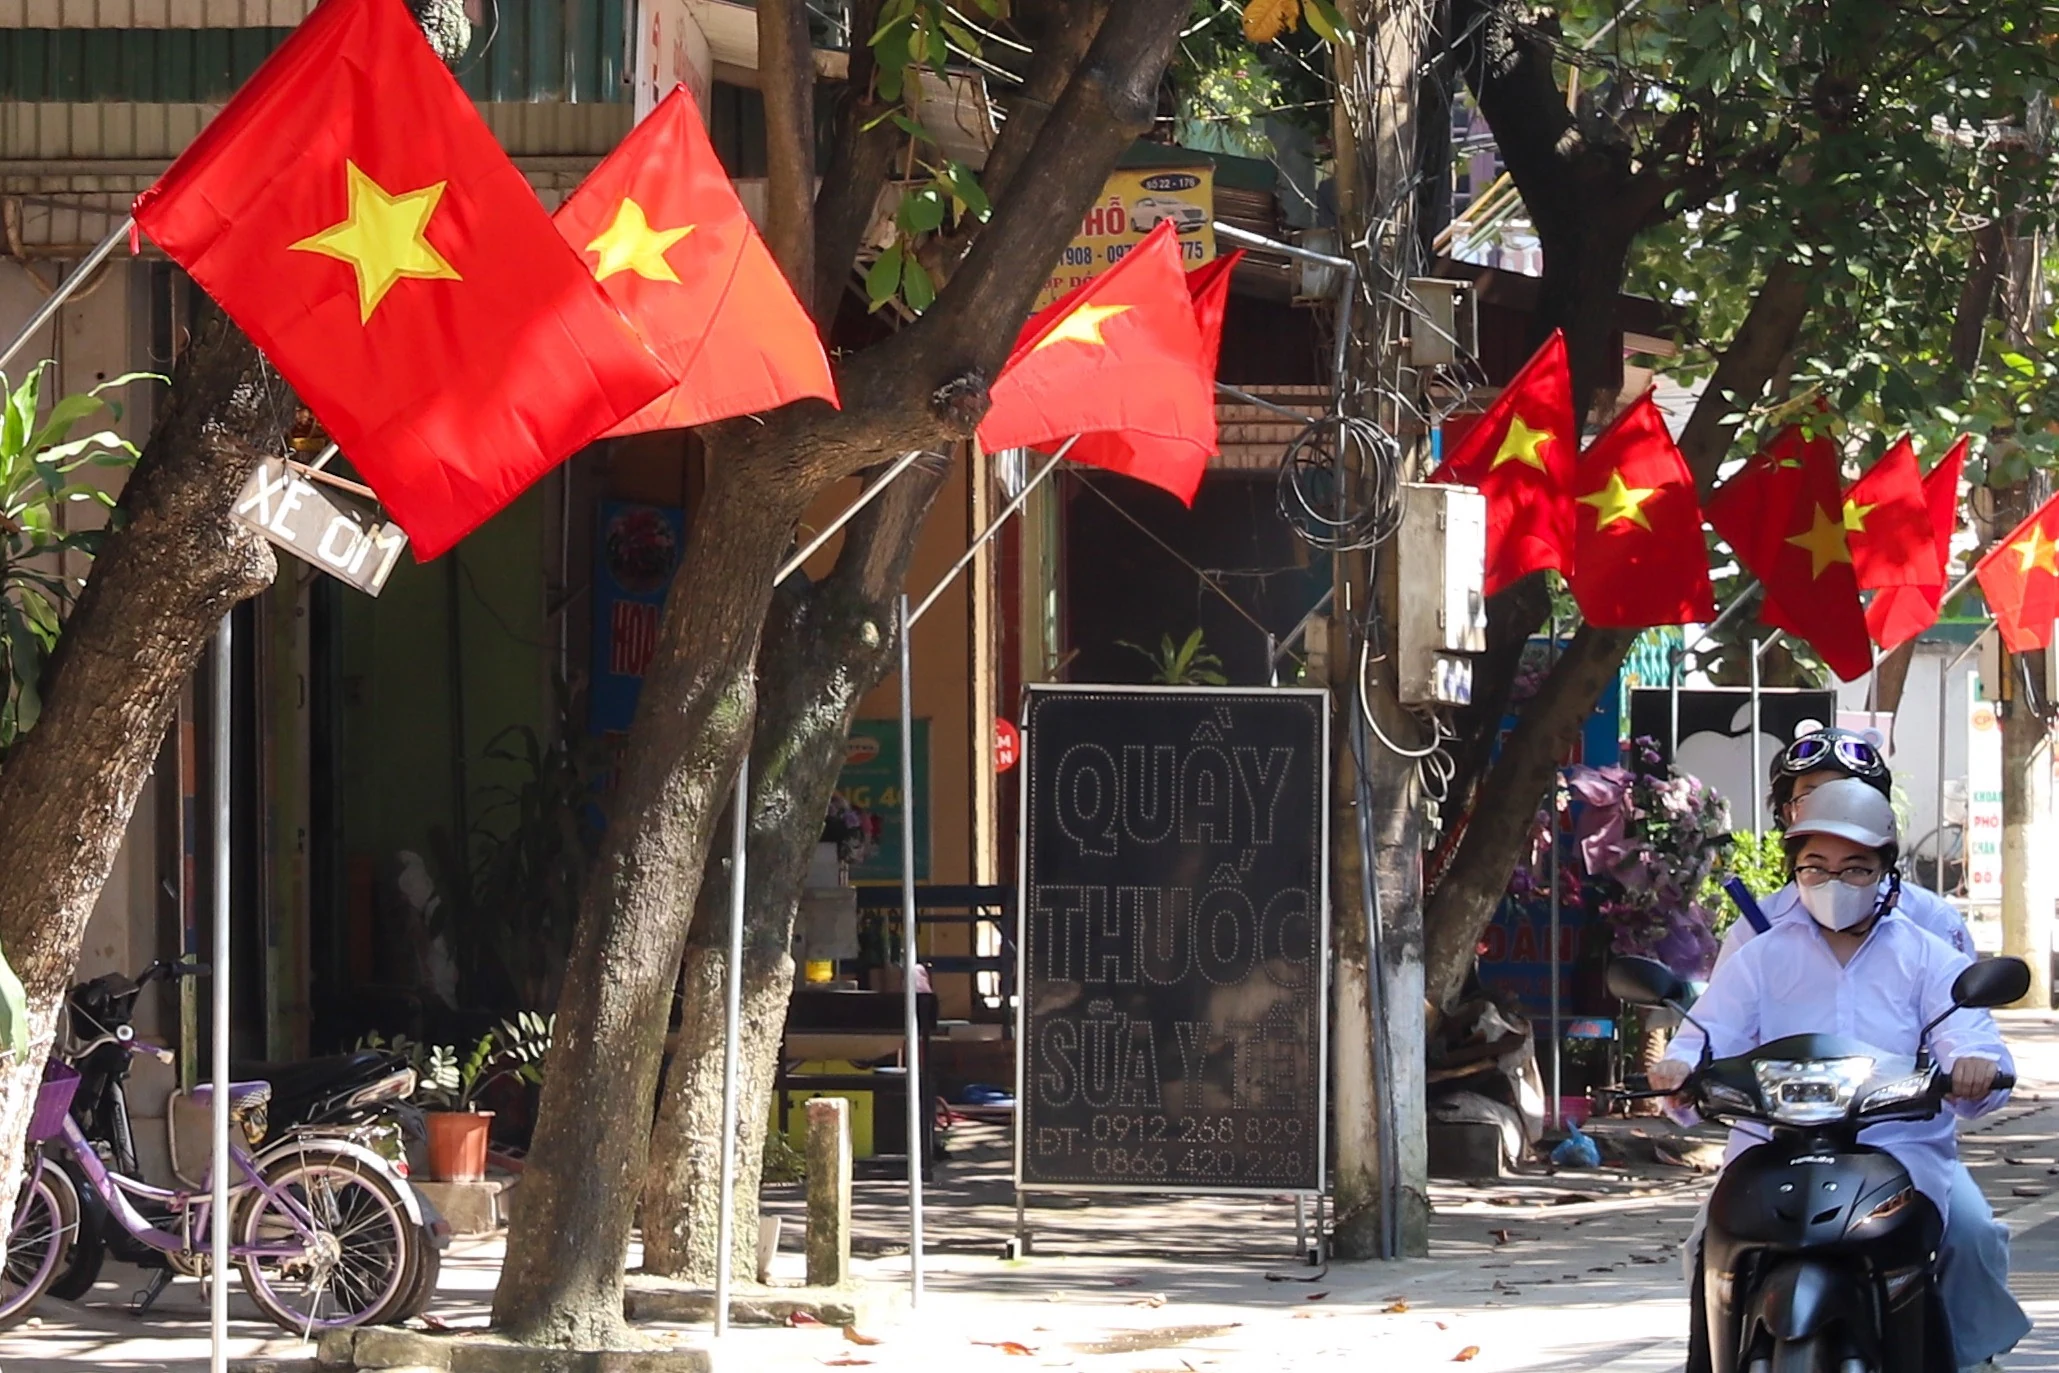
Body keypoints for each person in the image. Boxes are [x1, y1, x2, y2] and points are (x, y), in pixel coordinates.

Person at [1653, 778, 2025, 1371]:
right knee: (1707, 1241)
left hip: (1900, 1149)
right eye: (1815, 867)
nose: (1833, 882)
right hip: (1773, 1147)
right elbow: (1707, 1031)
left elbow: (1967, 1034)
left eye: (1854, 868)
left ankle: (1966, 1359)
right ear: (1794, 871)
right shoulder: (1761, 955)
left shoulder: (1926, 955)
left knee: (1972, 1235)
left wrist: (1973, 1069)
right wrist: (1679, 1066)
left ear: (1885, 871)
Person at [1714, 727, 1971, 971]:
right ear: (1787, 814)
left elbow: (1963, 1012)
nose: (1830, 812)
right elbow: (1718, 1014)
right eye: (1810, 799)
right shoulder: (1756, 928)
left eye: (1848, 797)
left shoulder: (1931, 920)